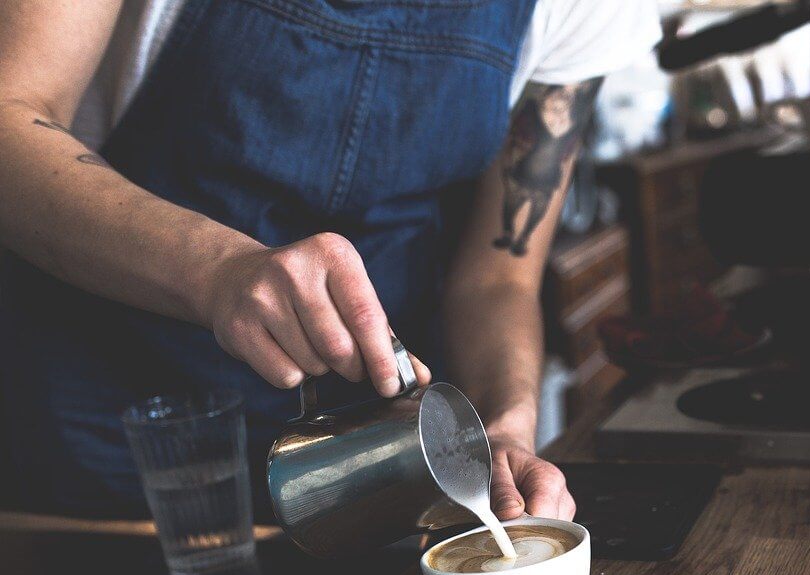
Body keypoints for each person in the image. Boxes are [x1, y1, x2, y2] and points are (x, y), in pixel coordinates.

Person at [0, 0, 661, 518]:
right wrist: (218, 269)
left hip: (379, 461)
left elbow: (498, 276)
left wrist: (507, 423)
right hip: (112, 431)